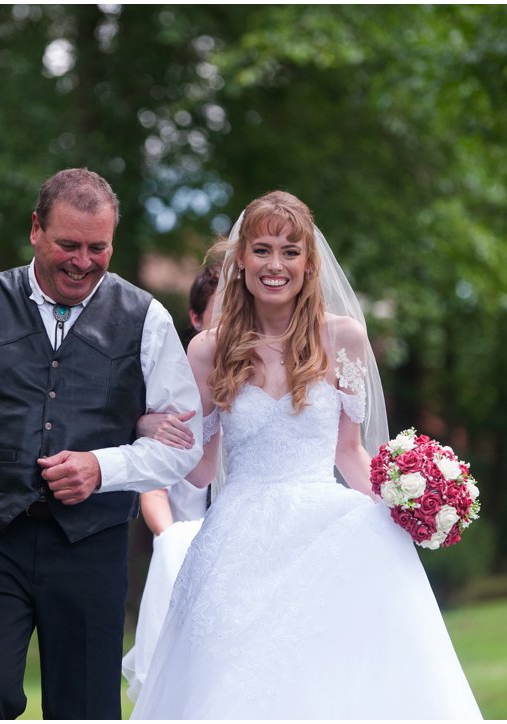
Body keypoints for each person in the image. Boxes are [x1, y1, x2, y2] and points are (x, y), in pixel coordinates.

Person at [131, 191, 482, 719]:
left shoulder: (344, 338)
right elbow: (201, 468)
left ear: (309, 262)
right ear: (241, 260)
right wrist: (150, 425)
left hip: (326, 532)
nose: (276, 265)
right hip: (237, 542)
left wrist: (411, 500)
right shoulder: (208, 348)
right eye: (263, 249)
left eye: (290, 251)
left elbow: (349, 452)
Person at [0, 168, 203, 720]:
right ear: (36, 229)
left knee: (85, 707)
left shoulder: (147, 319)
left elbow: (185, 445)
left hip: (94, 541)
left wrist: (102, 467)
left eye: (97, 247)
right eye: (68, 244)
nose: (82, 262)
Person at [121, 264, 219, 702]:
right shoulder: (176, 384)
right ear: (196, 319)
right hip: (186, 543)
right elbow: (154, 485)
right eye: (222, 311)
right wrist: (171, 537)